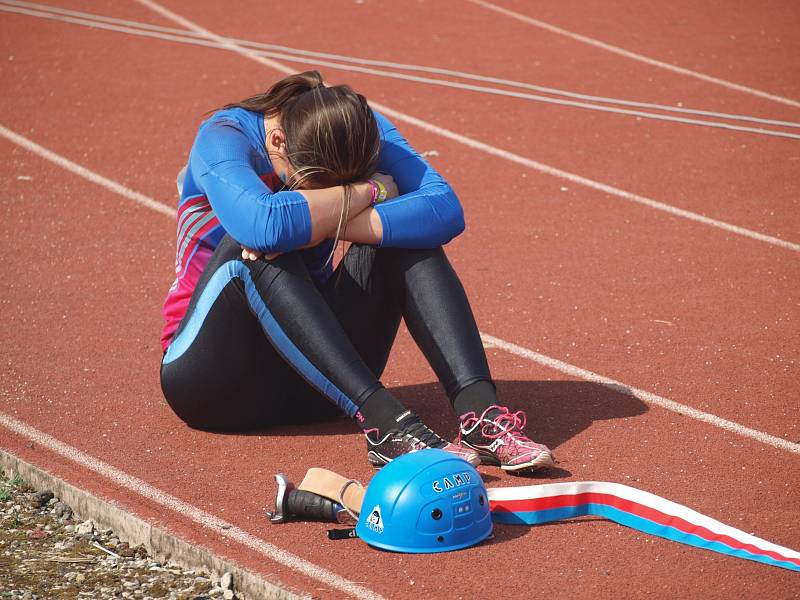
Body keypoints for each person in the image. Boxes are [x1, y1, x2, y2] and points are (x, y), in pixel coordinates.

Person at [159, 70, 555, 472]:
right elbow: (263, 226)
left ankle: (480, 416)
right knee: (257, 249)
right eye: (316, 188)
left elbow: (444, 208)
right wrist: (370, 193)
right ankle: (387, 426)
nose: (327, 197)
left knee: (409, 238)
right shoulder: (223, 137)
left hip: (317, 384)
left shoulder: (354, 127)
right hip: (213, 381)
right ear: (277, 142)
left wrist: (329, 218)